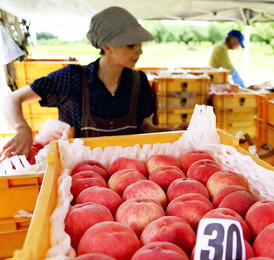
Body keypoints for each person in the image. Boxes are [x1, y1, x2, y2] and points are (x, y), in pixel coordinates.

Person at [0, 6, 188, 159]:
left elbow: (143, 128)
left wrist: (172, 131)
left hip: (129, 174)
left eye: (140, 44)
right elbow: (12, 99)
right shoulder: (72, 78)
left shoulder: (139, 82)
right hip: (78, 177)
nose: (139, 51)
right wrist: (21, 127)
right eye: (131, 45)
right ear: (107, 47)